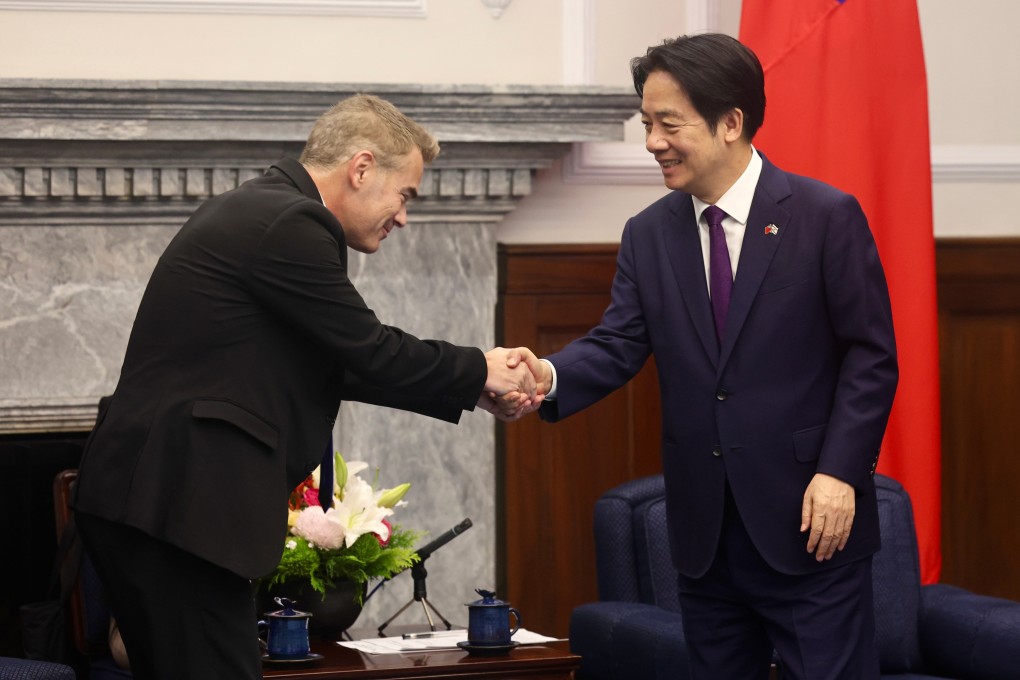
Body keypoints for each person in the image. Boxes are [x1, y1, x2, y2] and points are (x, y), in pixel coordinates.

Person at [73, 94, 536, 680]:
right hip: (178, 506)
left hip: (161, 504)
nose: (404, 216)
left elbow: (339, 364)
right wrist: (481, 368)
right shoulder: (292, 222)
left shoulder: (268, 209)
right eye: (405, 195)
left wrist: (475, 389)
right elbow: (367, 347)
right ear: (362, 168)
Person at [497, 34, 898, 679]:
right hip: (706, 536)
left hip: (808, 524)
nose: (652, 140)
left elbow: (871, 356)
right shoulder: (649, 233)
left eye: (668, 124)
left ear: (731, 122)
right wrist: (544, 376)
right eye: (646, 123)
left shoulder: (825, 216)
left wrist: (841, 472)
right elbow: (618, 342)